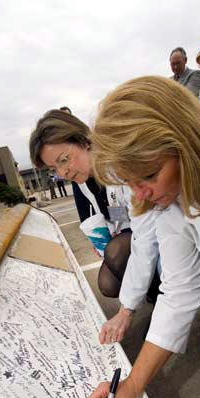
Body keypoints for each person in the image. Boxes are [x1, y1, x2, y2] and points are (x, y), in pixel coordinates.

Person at [86, 76, 200, 398]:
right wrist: (131, 386)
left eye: (148, 174)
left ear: (186, 141)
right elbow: (179, 290)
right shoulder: (167, 202)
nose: (142, 195)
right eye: (130, 182)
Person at [29, 109, 161, 344]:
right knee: (107, 284)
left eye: (63, 160)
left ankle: (163, 305)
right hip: (132, 233)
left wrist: (125, 312)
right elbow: (105, 219)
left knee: (118, 252)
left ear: (84, 141)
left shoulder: (121, 164)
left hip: (160, 234)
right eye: (54, 169)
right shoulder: (83, 182)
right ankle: (153, 291)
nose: (63, 172)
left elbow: (146, 235)